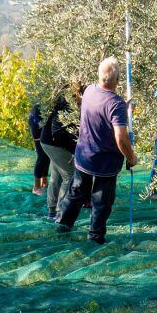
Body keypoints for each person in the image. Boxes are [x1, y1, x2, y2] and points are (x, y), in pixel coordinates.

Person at [56, 57, 137, 243]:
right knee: (101, 203)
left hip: (84, 156)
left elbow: (102, 111)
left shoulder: (90, 91)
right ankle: (95, 237)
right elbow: (121, 138)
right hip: (105, 163)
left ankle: (62, 225)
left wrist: (123, 109)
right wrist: (131, 157)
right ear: (117, 81)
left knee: (75, 194)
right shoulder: (115, 104)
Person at [39, 90, 79, 220]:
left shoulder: (63, 98)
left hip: (48, 141)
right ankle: (61, 212)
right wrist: (73, 150)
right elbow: (57, 132)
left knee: (56, 176)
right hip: (54, 143)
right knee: (69, 175)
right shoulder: (66, 102)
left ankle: (52, 211)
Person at [27, 104, 49, 196]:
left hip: (45, 117)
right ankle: (36, 186)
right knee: (42, 155)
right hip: (36, 120)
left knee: (48, 154)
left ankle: (44, 181)